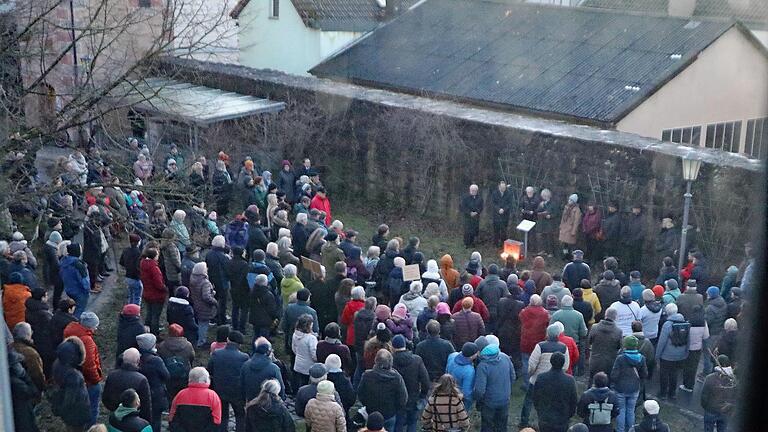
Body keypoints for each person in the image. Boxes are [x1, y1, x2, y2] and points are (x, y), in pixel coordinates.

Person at [521, 324, 568, 428]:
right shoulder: (563, 347)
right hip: (555, 381)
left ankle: (524, 422)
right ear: (558, 334)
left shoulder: (540, 346)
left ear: (547, 333)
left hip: (537, 380)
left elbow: (532, 364)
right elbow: (565, 366)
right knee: (549, 403)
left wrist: (531, 374)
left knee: (528, 401)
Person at [64, 311, 103, 425]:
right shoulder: (87, 340)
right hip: (88, 382)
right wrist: (96, 380)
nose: (96, 329)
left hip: (74, 377)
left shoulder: (70, 330)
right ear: (89, 326)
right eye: (95, 326)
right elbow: (89, 365)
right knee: (92, 408)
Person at [208, 330, 249, 432]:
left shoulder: (216, 354)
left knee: (223, 415)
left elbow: (209, 370)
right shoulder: (244, 357)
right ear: (239, 344)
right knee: (240, 415)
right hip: (237, 392)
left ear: (227, 340)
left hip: (220, 390)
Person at [358, 349, 408, 431]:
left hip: (372, 413)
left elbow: (360, 394)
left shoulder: (367, 375)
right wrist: (394, 409)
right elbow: (403, 398)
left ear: (376, 361)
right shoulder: (397, 378)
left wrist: (368, 405)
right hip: (389, 414)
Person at [474, 337, 516, 432]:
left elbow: (480, 390)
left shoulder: (483, 366)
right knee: (502, 426)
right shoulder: (505, 357)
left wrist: (477, 399)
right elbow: (513, 376)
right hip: (505, 399)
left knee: (487, 426)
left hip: (489, 403)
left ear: (480, 351)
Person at [50, 336, 92, 431]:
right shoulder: (74, 376)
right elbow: (70, 400)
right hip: (77, 415)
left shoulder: (57, 364)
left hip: (69, 415)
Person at [391, 334, 431, 432]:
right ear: (405, 344)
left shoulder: (390, 360)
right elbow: (426, 381)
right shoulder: (416, 360)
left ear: (392, 346)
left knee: (398, 424)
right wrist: (422, 396)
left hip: (396, 399)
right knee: (412, 423)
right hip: (413, 398)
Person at [103, 348, 152, 423]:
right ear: (138, 361)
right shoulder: (141, 379)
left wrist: (114, 409)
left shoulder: (112, 375)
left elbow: (105, 397)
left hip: (115, 415)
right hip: (134, 418)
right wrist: (146, 423)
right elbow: (146, 406)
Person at [532, 352, 577, 432]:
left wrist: (540, 411)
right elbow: (573, 401)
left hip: (545, 418)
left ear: (551, 362)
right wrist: (568, 415)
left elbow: (535, 397)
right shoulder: (570, 380)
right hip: (562, 420)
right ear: (563, 363)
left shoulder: (541, 378)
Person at [611, 336, 647, 432]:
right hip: (634, 388)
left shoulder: (620, 358)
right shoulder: (642, 358)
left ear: (625, 345)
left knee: (621, 410)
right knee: (631, 411)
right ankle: (630, 430)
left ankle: (620, 430)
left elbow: (614, 375)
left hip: (620, 389)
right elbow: (645, 374)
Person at [169, 367, 222, 431]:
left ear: (189, 379)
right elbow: (217, 421)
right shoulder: (213, 396)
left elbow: (172, 418)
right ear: (205, 380)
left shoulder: (180, 394)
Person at [135, 334, 169, 432]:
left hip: (139, 393)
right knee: (155, 420)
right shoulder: (156, 360)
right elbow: (166, 375)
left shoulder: (136, 357)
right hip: (155, 395)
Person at [655, 303, 689, 400]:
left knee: (664, 374)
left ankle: (663, 393)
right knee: (674, 374)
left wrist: (657, 356)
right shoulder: (685, 323)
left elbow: (662, 342)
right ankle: (672, 393)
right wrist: (686, 353)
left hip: (667, 355)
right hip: (680, 355)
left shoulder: (667, 324)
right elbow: (688, 339)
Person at [157, 324, 195, 400]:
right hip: (184, 375)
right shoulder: (188, 345)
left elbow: (160, 359)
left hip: (168, 375)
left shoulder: (162, 346)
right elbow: (192, 357)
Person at [519, 294, 549, 386]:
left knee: (525, 362)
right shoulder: (545, 313)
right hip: (539, 341)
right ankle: (537, 382)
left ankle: (526, 383)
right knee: (539, 362)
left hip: (526, 340)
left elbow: (520, 318)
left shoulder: (524, 312)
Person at [701, 354, 737, 432]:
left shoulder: (710, 378)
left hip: (711, 410)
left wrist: (706, 407)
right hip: (725, 411)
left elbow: (704, 395)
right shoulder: (733, 380)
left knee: (708, 429)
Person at [588, 308, 622, 383]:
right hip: (609, 363)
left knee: (591, 382)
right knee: (607, 384)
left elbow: (589, 341)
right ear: (615, 317)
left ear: (605, 315)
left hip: (595, 361)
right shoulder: (618, 331)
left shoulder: (594, 327)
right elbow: (619, 346)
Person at [189, 261, 218, 348]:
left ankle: (197, 338)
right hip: (204, 306)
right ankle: (201, 342)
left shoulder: (192, 278)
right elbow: (206, 297)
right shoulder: (204, 282)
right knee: (203, 324)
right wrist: (214, 300)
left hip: (196, 303)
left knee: (199, 323)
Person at [139, 248, 167, 335]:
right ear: (154, 256)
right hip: (156, 295)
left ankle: (147, 330)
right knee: (156, 316)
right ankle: (155, 334)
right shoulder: (154, 268)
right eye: (157, 255)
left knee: (149, 312)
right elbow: (158, 284)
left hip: (147, 293)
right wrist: (165, 288)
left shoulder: (143, 264)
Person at [59, 243, 91, 318]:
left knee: (71, 309)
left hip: (68, 289)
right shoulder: (78, 265)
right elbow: (84, 280)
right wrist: (87, 290)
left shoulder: (63, 261)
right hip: (80, 292)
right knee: (79, 311)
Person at [475, 264, 508, 332]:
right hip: (498, 314)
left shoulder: (482, 283)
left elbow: (476, 297)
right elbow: (506, 299)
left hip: (485, 312)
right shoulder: (503, 284)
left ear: (488, 272)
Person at [205, 235, 231, 325]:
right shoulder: (223, 257)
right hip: (222, 282)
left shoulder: (208, 254)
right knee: (222, 302)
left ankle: (212, 317)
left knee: (213, 299)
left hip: (212, 280)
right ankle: (222, 320)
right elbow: (228, 270)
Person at [703, 286, 728, 375]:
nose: (706, 293)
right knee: (714, 354)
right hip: (719, 331)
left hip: (711, 333)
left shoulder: (710, 308)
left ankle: (706, 373)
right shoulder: (723, 303)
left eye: (708, 293)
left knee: (707, 354)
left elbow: (707, 321)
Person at [292, 314, 319, 389]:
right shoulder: (311, 338)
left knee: (299, 383)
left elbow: (294, 348)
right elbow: (314, 355)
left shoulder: (295, 334)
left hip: (298, 364)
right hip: (309, 367)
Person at [119, 234, 143, 306]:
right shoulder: (138, 253)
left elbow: (121, 262)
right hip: (136, 278)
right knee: (137, 297)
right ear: (136, 242)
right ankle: (135, 312)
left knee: (130, 296)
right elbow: (139, 266)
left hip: (128, 276)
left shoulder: (126, 250)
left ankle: (129, 311)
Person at [558, 195, 582, 259]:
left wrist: (574, 231)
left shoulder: (577, 210)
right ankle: (565, 255)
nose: (569, 201)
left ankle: (571, 256)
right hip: (565, 228)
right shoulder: (566, 207)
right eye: (569, 199)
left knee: (571, 244)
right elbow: (563, 218)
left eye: (571, 200)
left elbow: (576, 221)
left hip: (570, 229)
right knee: (564, 243)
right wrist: (561, 226)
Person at [490, 180, 513, 245]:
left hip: (505, 215)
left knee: (504, 230)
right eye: (502, 188)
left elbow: (510, 204)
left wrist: (504, 209)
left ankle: (503, 243)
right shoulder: (494, 193)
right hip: (496, 215)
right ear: (499, 187)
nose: (503, 189)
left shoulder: (508, 194)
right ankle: (495, 243)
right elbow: (493, 203)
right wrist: (498, 209)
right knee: (496, 230)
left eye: (504, 188)